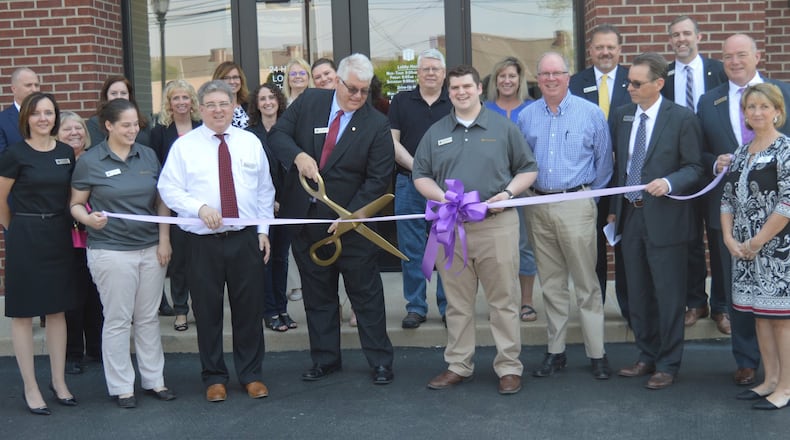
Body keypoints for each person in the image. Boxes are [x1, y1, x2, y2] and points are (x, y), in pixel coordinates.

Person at [268, 53, 395, 385]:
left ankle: (380, 360)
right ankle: (325, 359)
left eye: (364, 91)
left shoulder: (376, 124)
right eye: (351, 88)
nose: (357, 96)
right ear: (336, 81)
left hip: (352, 226)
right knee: (317, 295)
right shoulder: (310, 101)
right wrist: (298, 156)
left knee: (365, 295)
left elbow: (378, 179)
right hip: (306, 221)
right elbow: (278, 136)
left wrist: (352, 216)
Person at [413, 64, 538, 395]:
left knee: (504, 301)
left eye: (467, 86)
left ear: (480, 88)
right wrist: (443, 198)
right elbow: (420, 174)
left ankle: (509, 366)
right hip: (451, 227)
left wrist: (508, 194)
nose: (461, 92)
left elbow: (528, 169)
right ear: (448, 92)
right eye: (454, 88)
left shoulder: (502, 128)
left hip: (497, 226)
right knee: (457, 302)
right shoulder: (436, 131)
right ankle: (458, 364)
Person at [158, 80, 274, 402]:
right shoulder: (184, 146)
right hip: (201, 243)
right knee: (207, 312)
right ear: (201, 108)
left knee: (248, 311)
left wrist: (263, 232)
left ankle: (251, 374)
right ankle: (214, 377)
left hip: (245, 239)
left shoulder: (250, 142)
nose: (218, 110)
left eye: (224, 104)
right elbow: (168, 189)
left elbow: (265, 190)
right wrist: (199, 208)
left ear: (234, 105)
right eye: (211, 105)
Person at [697, 33, 790, 387]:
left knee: (780, 309)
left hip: (780, 228)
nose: (734, 61)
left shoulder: (783, 92)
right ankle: (749, 362)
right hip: (735, 221)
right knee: (744, 299)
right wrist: (715, 163)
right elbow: (699, 152)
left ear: (757, 56)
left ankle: (783, 375)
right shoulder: (709, 101)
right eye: (727, 56)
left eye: (741, 55)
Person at [70, 98, 175, 408]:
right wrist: (88, 219)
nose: (133, 130)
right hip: (111, 251)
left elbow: (161, 201)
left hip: (150, 249)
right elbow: (76, 203)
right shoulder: (90, 161)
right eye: (126, 125)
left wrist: (164, 239)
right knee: (117, 319)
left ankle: (154, 381)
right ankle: (121, 387)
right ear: (109, 126)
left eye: (136, 124)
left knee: (147, 319)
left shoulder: (149, 155)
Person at [608, 52, 703, 390]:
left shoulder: (681, 118)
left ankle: (668, 362)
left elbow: (695, 167)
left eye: (636, 83)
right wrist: (613, 212)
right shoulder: (621, 116)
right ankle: (646, 355)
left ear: (659, 84)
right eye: (628, 82)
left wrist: (670, 182)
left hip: (667, 219)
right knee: (638, 291)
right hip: (631, 216)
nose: (629, 88)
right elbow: (620, 167)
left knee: (668, 294)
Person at [518, 52, 613, 380]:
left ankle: (597, 353)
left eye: (556, 73)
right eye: (544, 74)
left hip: (577, 203)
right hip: (537, 205)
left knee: (586, 283)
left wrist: (586, 197)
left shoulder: (591, 114)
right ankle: (555, 352)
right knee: (552, 284)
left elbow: (605, 165)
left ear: (568, 77)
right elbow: (522, 162)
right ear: (538, 79)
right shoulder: (527, 117)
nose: (550, 79)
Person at [0, 92, 77, 415]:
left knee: (57, 311)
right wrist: (13, 231)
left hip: (59, 235)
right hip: (26, 236)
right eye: (37, 113)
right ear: (26, 118)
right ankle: (31, 387)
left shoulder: (65, 152)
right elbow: (1, 201)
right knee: (24, 313)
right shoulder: (14, 154)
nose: (43, 118)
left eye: (49, 113)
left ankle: (58, 382)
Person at [721, 83, 790, 410]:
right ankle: (771, 380)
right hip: (744, 251)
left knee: (780, 319)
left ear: (777, 111)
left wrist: (758, 240)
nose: (757, 112)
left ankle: (786, 388)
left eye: (764, 106)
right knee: (759, 317)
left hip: (777, 251)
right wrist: (729, 238)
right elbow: (727, 199)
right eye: (751, 107)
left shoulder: (785, 149)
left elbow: (788, 202)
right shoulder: (740, 152)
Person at [661, 15, 729, 334]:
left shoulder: (718, 70)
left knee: (718, 236)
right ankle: (695, 301)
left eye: (687, 33)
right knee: (688, 237)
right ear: (670, 40)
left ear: (699, 37)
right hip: (683, 167)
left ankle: (721, 306)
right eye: (675, 35)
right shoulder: (665, 75)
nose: (681, 39)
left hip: (717, 165)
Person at [569, 24, 631, 324]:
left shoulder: (633, 80)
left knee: (625, 246)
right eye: (599, 47)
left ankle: (630, 309)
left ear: (620, 50)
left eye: (611, 47)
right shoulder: (574, 83)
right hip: (588, 181)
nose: (605, 52)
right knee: (591, 247)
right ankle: (594, 311)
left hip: (627, 179)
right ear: (590, 50)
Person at [389, 48, 451, 329]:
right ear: (418, 72)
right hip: (408, 182)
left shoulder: (454, 100)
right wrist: (420, 170)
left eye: (435, 69)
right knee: (412, 249)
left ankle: (449, 305)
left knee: (447, 246)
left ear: (444, 74)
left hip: (446, 186)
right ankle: (415, 306)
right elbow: (393, 143)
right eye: (425, 68)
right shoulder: (401, 101)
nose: (430, 73)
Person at [485, 56, 539, 323]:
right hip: (489, 190)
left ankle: (526, 302)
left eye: (512, 76)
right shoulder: (483, 109)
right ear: (495, 81)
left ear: (520, 80)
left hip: (524, 189)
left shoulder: (532, 110)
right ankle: (500, 303)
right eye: (502, 76)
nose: (507, 81)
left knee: (524, 247)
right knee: (492, 251)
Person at [149, 79, 202, 331]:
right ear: (168, 103)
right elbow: (159, 171)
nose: (181, 102)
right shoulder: (159, 132)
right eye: (176, 98)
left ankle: (201, 309)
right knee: (179, 261)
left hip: (203, 204)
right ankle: (181, 310)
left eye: (185, 97)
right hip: (174, 204)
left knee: (202, 262)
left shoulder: (202, 126)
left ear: (192, 101)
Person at [246, 83, 297, 332]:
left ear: (279, 101)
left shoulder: (288, 130)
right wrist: (270, 201)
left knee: (281, 258)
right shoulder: (249, 135)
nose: (267, 102)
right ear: (256, 104)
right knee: (264, 258)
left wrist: (284, 201)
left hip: (287, 206)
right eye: (262, 98)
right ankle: (269, 310)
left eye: (271, 97)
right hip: (261, 207)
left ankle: (282, 307)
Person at [58, 111, 103, 375]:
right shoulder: (55, 162)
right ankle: (73, 353)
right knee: (72, 299)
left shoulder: (94, 159)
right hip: (66, 240)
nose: (75, 133)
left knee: (96, 296)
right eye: (67, 129)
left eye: (79, 128)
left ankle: (96, 349)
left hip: (96, 237)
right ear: (57, 134)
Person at [86, 76, 151, 148]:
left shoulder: (142, 121)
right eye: (114, 93)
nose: (119, 97)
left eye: (123, 93)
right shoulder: (95, 123)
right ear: (106, 96)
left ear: (129, 96)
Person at [0, 67, 39, 152]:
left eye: (36, 85)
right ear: (14, 89)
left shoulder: (48, 117)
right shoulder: (2, 120)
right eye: (28, 85)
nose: (34, 89)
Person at [212, 61, 250, 129]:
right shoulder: (212, 108)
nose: (232, 82)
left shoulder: (249, 105)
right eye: (226, 78)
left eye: (235, 77)